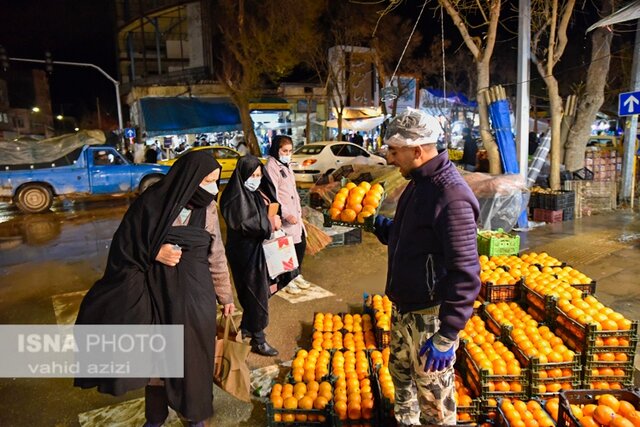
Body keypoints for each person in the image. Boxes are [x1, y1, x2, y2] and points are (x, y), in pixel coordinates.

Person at [74, 151, 236, 427]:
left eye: (215, 180)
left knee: (195, 360)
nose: (212, 187)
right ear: (189, 178)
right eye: (207, 180)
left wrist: (226, 296)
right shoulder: (153, 202)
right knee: (159, 362)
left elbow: (216, 254)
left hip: (196, 299)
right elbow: (125, 245)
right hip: (156, 297)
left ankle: (195, 415)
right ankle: (155, 419)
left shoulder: (207, 208)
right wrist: (154, 252)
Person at [373, 109, 481, 426]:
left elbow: (466, 272)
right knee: (402, 379)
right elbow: (408, 236)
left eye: (394, 152)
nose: (390, 160)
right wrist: (376, 225)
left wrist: (448, 334)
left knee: (435, 402)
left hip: (430, 318)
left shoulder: (451, 196)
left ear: (417, 151)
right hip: (404, 309)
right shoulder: (419, 183)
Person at [220, 155, 290, 357]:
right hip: (244, 254)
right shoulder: (233, 197)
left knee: (261, 290)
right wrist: (270, 225)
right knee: (255, 293)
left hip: (258, 250)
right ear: (242, 175)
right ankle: (258, 340)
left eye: (259, 174)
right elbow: (245, 223)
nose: (256, 178)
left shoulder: (255, 193)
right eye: (252, 175)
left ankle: (248, 327)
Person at [265, 135, 310, 295]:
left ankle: (296, 275)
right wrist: (284, 213)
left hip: (295, 214)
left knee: (300, 244)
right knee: (286, 249)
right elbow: (273, 194)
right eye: (284, 151)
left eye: (290, 151)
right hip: (284, 217)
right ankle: (287, 279)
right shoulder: (271, 165)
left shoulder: (286, 165)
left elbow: (291, 190)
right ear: (277, 149)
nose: (287, 154)